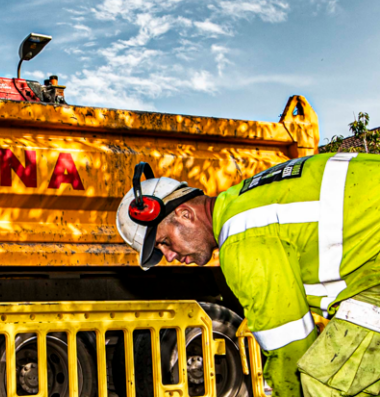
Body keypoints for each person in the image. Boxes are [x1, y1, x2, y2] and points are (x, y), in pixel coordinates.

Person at [115, 153, 380, 397]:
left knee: (323, 381)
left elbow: (289, 349)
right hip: (372, 269)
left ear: (184, 214)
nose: (169, 256)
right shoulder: (245, 200)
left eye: (164, 242)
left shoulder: (241, 239)